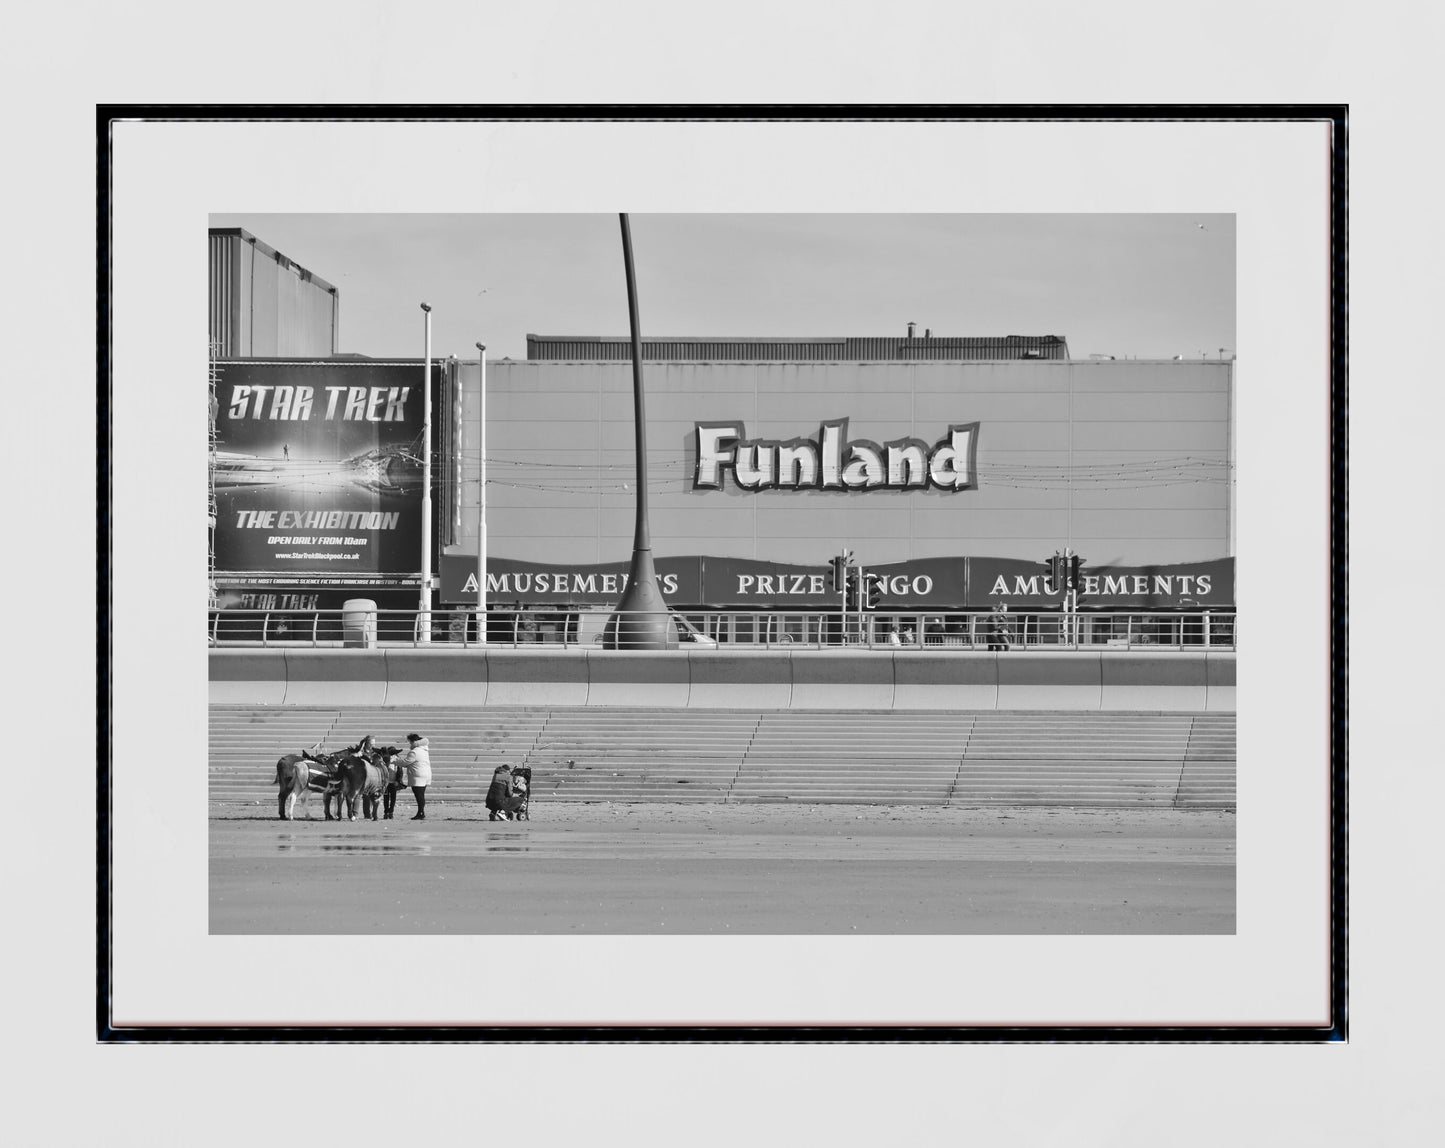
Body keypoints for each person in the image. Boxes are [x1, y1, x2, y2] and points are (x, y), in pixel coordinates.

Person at [393, 732, 432, 820]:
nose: (409, 744)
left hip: (418, 776)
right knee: (421, 794)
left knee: (419, 795)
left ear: (413, 741)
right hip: (425, 774)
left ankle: (421, 813)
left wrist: (395, 761)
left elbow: (406, 762)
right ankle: (421, 812)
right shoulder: (424, 749)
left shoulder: (414, 752)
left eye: (410, 742)